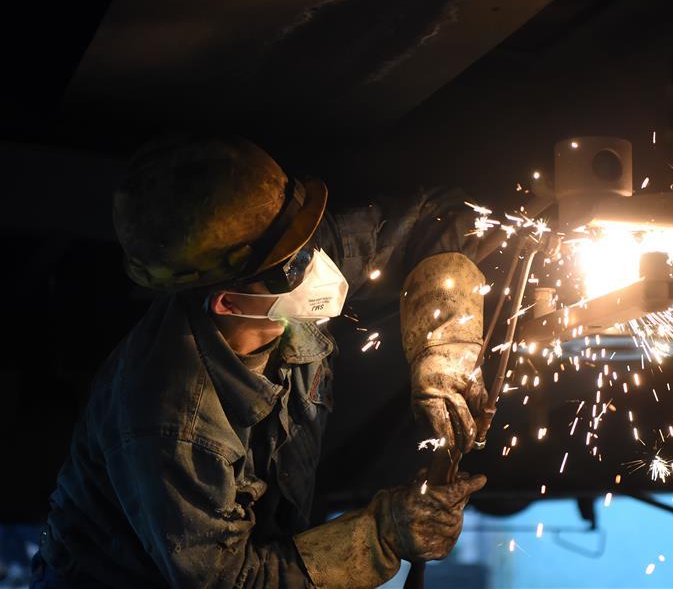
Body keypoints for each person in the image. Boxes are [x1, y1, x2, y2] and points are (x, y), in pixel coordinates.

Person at [33, 135, 489, 588]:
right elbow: (232, 583)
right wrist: (383, 537)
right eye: (293, 265)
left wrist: (444, 347)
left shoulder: (275, 254)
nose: (316, 266)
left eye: (307, 242)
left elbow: (442, 217)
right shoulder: (174, 424)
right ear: (227, 303)